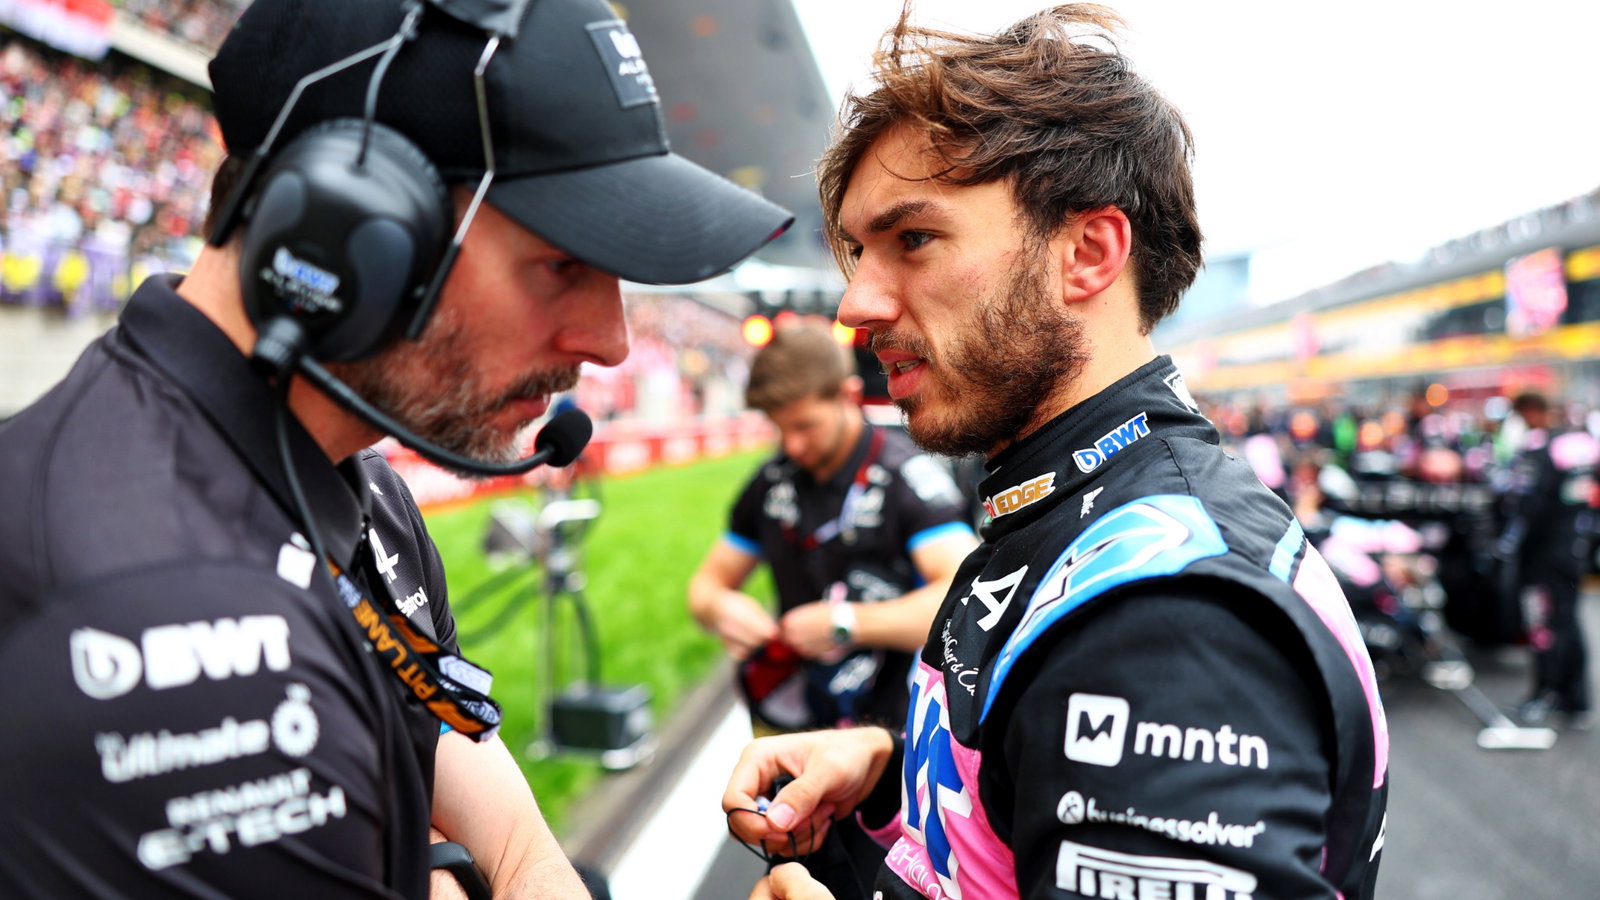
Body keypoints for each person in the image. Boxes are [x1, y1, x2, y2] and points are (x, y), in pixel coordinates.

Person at [0, 0, 791, 896]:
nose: (610, 340)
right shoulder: (167, 623)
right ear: (342, 237)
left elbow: (430, 717)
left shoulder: (352, 483)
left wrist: (523, 864)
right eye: (563, 261)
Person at [722, 7, 1389, 900]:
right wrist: (889, 766)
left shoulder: (1168, 618)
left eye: (912, 239)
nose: (857, 305)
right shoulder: (1071, 492)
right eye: (857, 252)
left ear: (1086, 253)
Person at [689, 323, 976, 897]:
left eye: (803, 426)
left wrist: (849, 625)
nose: (791, 444)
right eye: (778, 429)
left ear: (846, 395)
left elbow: (961, 599)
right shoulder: (773, 482)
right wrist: (727, 610)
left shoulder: (905, 477)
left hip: (891, 754)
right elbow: (706, 588)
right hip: (798, 736)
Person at [1498, 391, 1597, 728]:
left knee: (1545, 624)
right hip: (1576, 547)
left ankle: (1548, 694)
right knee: (1568, 621)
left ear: (1529, 411)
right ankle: (1576, 699)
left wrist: (1511, 543)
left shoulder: (1539, 447)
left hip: (1545, 554)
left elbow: (1526, 506)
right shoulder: (1580, 442)